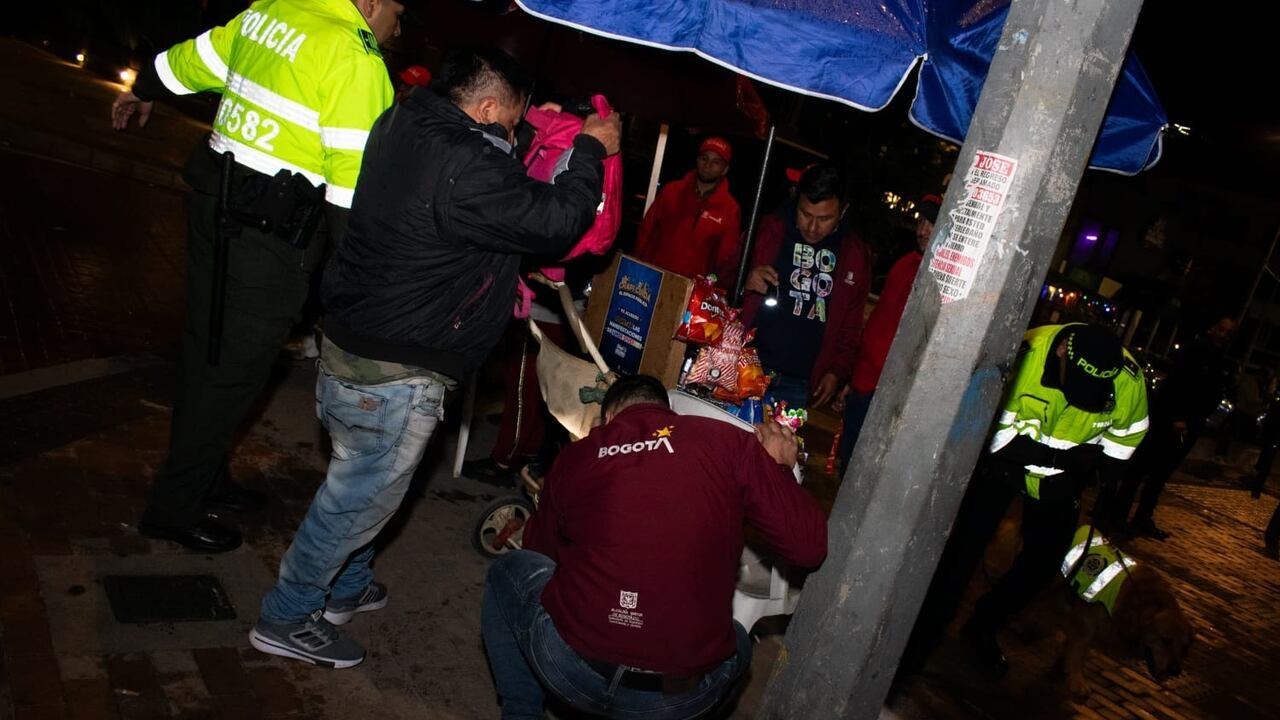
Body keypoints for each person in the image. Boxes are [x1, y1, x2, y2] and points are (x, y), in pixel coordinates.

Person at [248, 47, 621, 668]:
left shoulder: (405, 121)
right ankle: (287, 615)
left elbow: (485, 151)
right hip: (395, 370)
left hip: (355, 340)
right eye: (509, 124)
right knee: (355, 498)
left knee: (374, 482)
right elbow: (555, 220)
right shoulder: (467, 166)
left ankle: (343, 588)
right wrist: (590, 150)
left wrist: (531, 124)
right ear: (485, 109)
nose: (512, 138)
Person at [110, 0, 406, 553]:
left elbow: (187, 62)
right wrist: (360, 277)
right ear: (369, 3)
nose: (396, 27)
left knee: (210, 348)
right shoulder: (353, 54)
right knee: (232, 370)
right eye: (397, 12)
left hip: (216, 207)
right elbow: (351, 191)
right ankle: (173, 506)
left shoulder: (271, 10)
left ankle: (206, 475)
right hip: (267, 238)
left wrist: (144, 90)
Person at [481, 374, 827, 719]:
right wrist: (779, 467)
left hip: (570, 672)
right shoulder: (728, 441)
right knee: (737, 642)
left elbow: (539, 553)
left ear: (608, 419)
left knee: (508, 571)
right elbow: (808, 549)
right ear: (669, 410)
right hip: (675, 698)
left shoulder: (577, 456)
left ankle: (521, 714)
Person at [902, 323, 1148, 677]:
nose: (1083, 399)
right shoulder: (1025, 355)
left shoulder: (1128, 381)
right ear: (1063, 351)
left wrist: (1097, 474)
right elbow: (996, 439)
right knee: (961, 557)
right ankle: (919, 638)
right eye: (1078, 387)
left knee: (1044, 563)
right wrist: (1064, 461)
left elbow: (1124, 444)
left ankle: (982, 628)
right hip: (1005, 470)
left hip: (1062, 485)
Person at [741, 163, 872, 410]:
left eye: (824, 219)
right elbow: (720, 276)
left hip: (799, 383)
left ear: (843, 211)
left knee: (777, 448)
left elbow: (851, 326)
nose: (812, 227)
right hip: (747, 364)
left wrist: (836, 371)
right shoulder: (768, 230)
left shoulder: (854, 255)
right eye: (805, 214)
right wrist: (745, 280)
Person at [1101, 316, 1236, 539]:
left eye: (1228, 332)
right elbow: (1179, 384)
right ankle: (1117, 514)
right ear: (1212, 328)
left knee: (1159, 476)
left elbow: (1211, 394)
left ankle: (1142, 518)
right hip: (1170, 421)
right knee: (1139, 470)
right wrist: (1177, 417)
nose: (1223, 335)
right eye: (1221, 329)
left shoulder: (1221, 359)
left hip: (1188, 425)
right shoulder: (1196, 350)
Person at [835, 193, 940, 472]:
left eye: (933, 222)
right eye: (922, 221)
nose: (923, 230)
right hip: (865, 385)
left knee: (867, 475)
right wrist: (853, 378)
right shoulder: (906, 263)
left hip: (893, 396)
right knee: (848, 467)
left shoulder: (941, 278)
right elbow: (880, 325)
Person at [632, 137, 741, 280]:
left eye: (716, 162)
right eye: (704, 158)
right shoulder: (671, 191)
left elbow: (725, 262)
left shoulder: (730, 209)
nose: (707, 165)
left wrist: (710, 287)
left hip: (691, 291)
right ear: (697, 160)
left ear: (725, 169)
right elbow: (646, 231)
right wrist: (635, 266)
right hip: (652, 279)